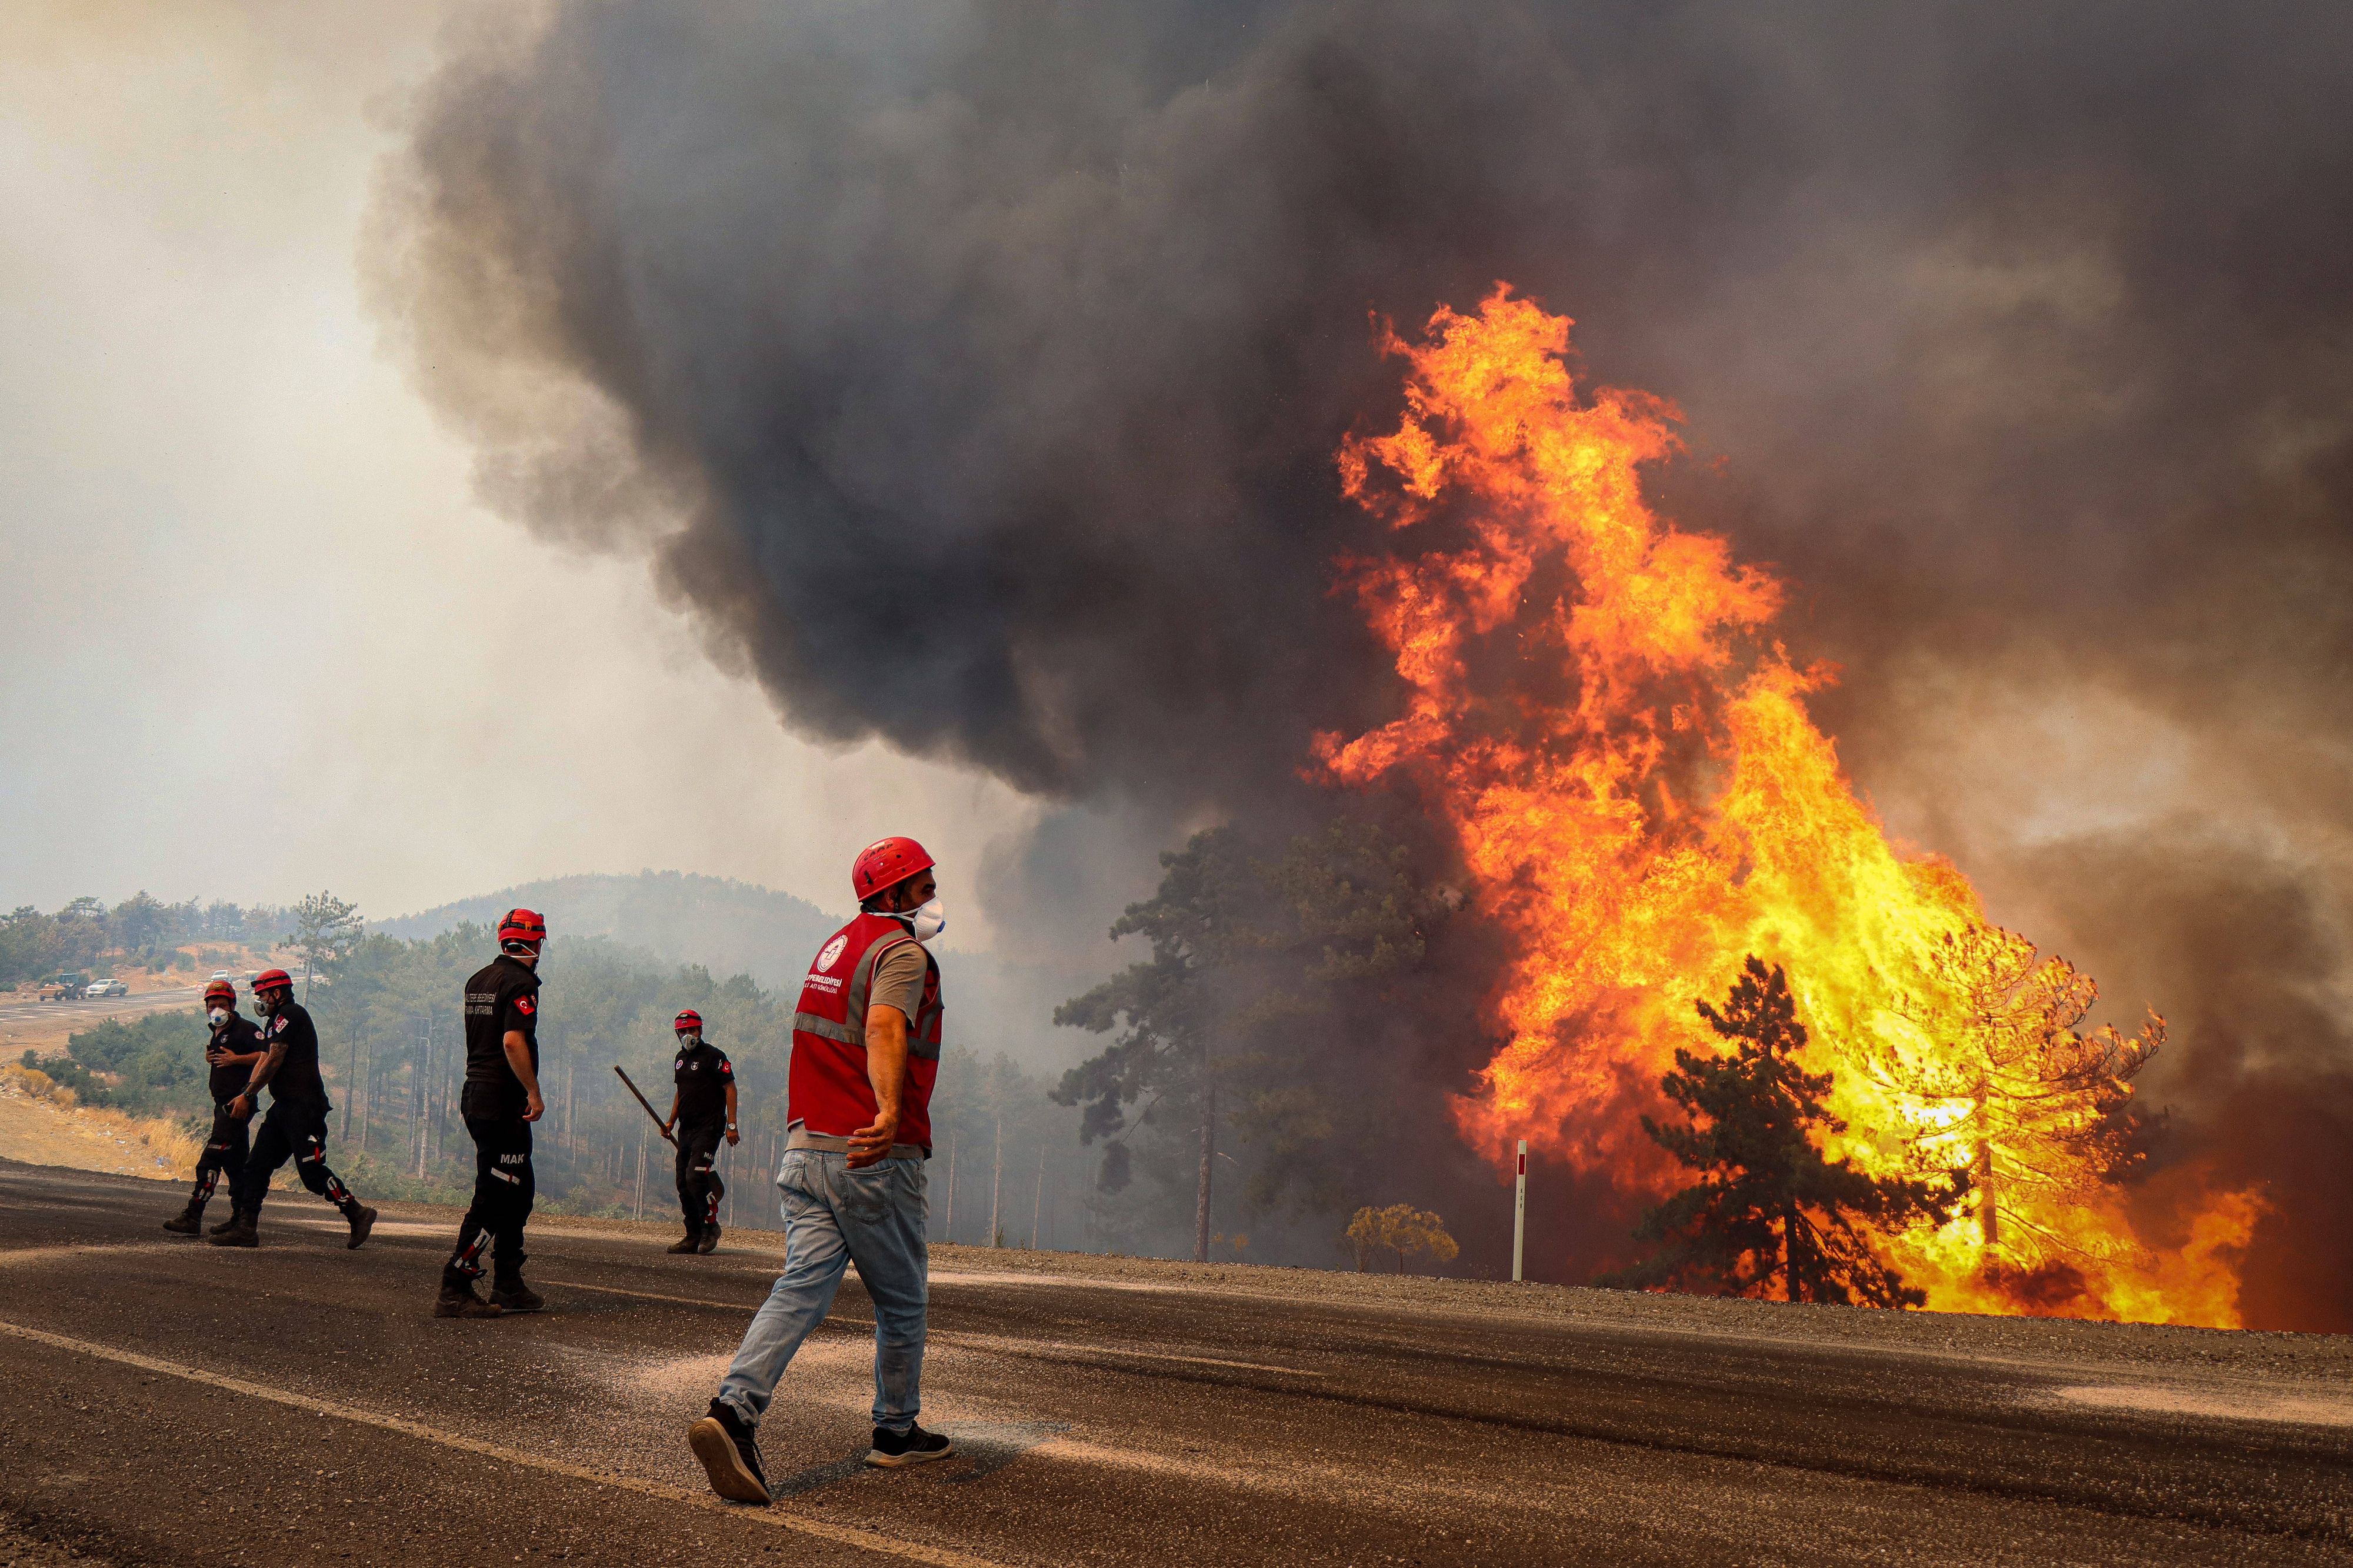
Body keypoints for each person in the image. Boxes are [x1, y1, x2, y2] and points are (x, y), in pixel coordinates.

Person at [689, 835, 954, 1503]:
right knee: (903, 1299)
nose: (932, 898)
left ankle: (732, 1412)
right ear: (892, 896)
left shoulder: (837, 948)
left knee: (801, 1285)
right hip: (868, 1153)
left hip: (805, 1149)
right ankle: (895, 1432)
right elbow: (887, 1027)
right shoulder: (901, 951)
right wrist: (890, 1112)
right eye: (923, 887)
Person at [209, 969, 377, 1250]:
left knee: (312, 1173)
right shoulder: (277, 1020)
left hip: (305, 1108)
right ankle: (245, 1228)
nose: (260, 1000)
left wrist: (248, 1094)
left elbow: (274, 1059)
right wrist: (246, 1092)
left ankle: (357, 1213)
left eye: (263, 994)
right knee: (256, 1166)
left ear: (277, 993)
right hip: (284, 1107)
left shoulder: (291, 1014)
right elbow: (265, 1056)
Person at [436, 908, 549, 1319]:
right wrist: (534, 1092)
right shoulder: (521, 983)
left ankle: (508, 1282)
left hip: (478, 1095)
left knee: (519, 1191)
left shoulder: (480, 979)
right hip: (502, 1099)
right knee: (496, 1194)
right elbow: (512, 1042)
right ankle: (456, 1286)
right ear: (535, 943)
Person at [163, 979, 265, 1235]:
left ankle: (193, 1214)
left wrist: (237, 1060)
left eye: (222, 1004)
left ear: (232, 1005)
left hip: (238, 1104)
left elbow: (268, 1054)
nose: (216, 1009)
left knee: (211, 1158)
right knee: (235, 1164)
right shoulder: (218, 1031)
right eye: (212, 1005)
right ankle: (239, 1219)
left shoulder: (246, 1029)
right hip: (222, 1105)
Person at [662, 1008, 739, 1256]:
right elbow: (680, 1093)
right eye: (682, 1031)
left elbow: (730, 1088)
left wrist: (732, 1126)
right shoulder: (679, 1059)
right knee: (682, 1182)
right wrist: (671, 1122)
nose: (687, 1035)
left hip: (710, 1127)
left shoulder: (715, 1057)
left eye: (691, 1030)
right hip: (687, 1128)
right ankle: (692, 1236)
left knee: (696, 1177)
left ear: (700, 1030)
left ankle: (710, 1229)